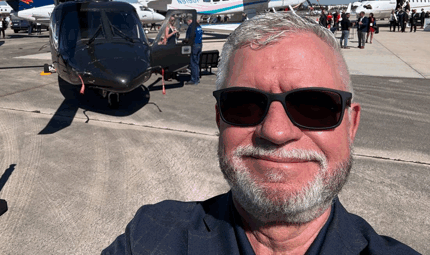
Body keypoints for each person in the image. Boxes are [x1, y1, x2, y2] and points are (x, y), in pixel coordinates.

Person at [102, 13, 419, 255]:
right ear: (219, 120)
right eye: (243, 104)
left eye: (315, 105)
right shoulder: (149, 236)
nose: (276, 131)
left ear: (351, 125)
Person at [184, 15, 203, 85]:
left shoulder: (191, 26)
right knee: (196, 63)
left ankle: (194, 80)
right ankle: (197, 78)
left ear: (189, 20)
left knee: (193, 63)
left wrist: (184, 42)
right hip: (200, 45)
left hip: (194, 45)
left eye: (187, 22)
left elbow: (188, 38)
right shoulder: (198, 26)